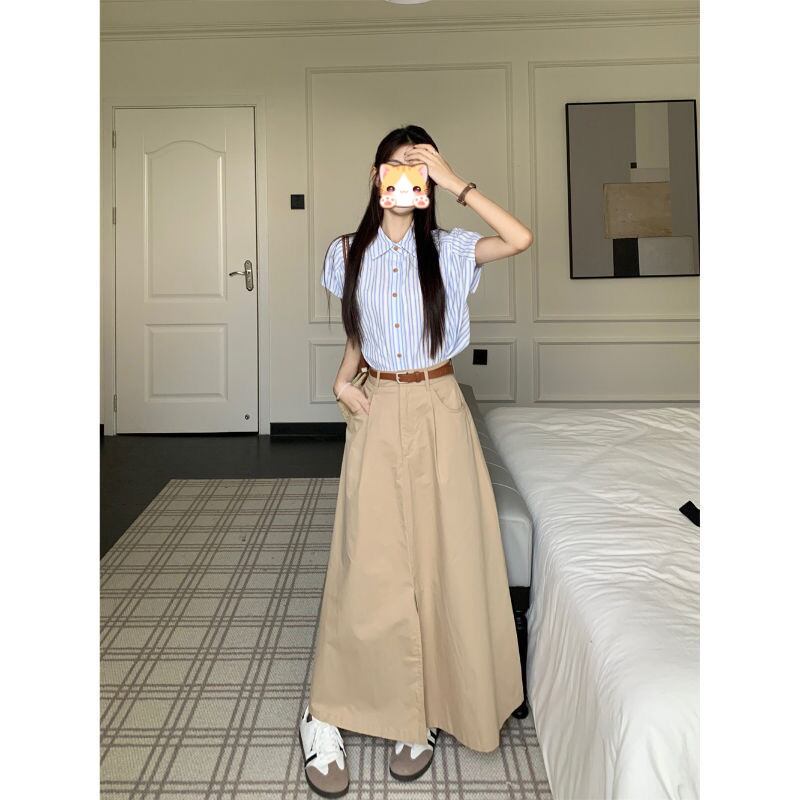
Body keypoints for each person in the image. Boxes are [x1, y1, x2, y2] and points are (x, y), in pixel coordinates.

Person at [299, 125, 534, 798]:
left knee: (441, 556)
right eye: (395, 165)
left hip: (439, 403)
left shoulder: (452, 250)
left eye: (418, 166)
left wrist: (455, 182)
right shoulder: (345, 252)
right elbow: (359, 329)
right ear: (376, 176)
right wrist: (342, 379)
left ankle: (418, 710)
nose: (405, 174)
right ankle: (324, 710)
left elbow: (519, 238)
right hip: (378, 403)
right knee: (368, 557)